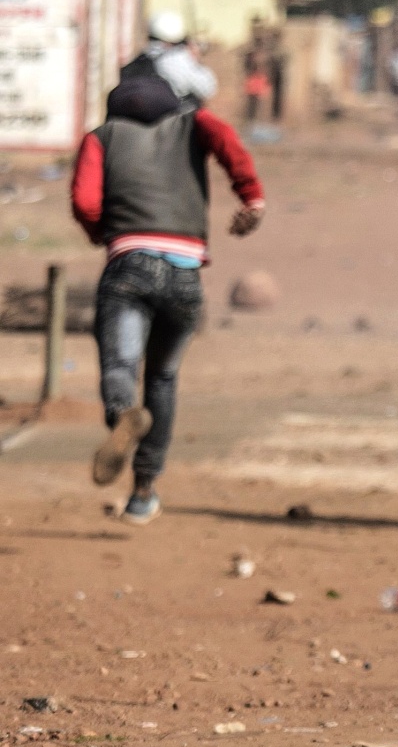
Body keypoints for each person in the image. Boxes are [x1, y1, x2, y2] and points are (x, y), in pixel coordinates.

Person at [70, 67, 265, 523]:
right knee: (162, 378)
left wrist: (104, 233)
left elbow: (85, 202)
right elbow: (228, 141)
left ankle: (122, 414)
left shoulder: (101, 137)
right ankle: (143, 491)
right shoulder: (193, 122)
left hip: (128, 265)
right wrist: (250, 195)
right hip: (184, 273)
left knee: (121, 365)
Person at [122, 12, 219, 107]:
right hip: (170, 120)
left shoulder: (143, 57)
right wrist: (195, 60)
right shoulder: (176, 59)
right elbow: (207, 88)